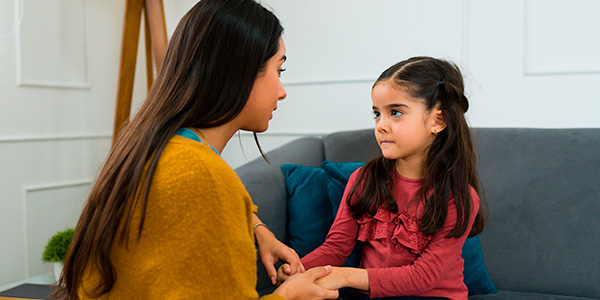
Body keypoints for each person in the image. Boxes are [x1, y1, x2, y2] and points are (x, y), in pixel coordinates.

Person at [53, 0, 338, 299]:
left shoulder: (155, 147)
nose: (282, 91)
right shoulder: (202, 175)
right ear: (239, 71)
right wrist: (290, 295)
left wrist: (257, 228)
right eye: (279, 70)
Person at [278, 57, 487, 300]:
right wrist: (298, 269)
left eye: (395, 112)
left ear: (437, 121)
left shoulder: (458, 197)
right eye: (377, 113)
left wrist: (346, 276)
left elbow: (424, 276)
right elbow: (336, 247)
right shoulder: (365, 179)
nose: (381, 125)